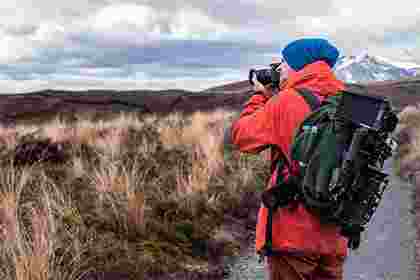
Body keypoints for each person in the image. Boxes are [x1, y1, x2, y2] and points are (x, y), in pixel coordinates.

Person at [230, 38, 348, 280]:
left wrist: (260, 97)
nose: (279, 68)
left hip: (294, 234)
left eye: (283, 62)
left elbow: (243, 137)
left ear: (297, 64)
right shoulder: (346, 101)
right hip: (334, 234)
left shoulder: (285, 101)